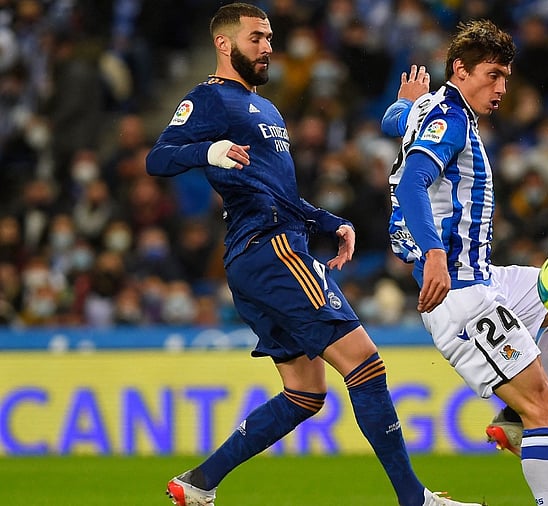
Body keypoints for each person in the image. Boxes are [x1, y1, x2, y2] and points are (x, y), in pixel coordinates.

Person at [145, 5, 482, 506]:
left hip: (264, 251)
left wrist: (328, 221)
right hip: (272, 250)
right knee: (366, 367)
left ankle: (198, 483)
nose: (267, 47)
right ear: (223, 43)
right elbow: (158, 158)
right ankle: (416, 500)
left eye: (269, 38)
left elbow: (276, 192)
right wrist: (207, 152)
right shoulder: (209, 100)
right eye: (256, 37)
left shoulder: (267, 109)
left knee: (305, 394)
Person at [381, 20, 548, 506]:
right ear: (459, 71)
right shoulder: (449, 119)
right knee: (547, 411)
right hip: (460, 293)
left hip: (487, 278)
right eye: (492, 75)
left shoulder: (431, 109)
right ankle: (529, 421)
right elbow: (411, 183)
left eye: (506, 77)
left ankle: (512, 420)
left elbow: (393, 124)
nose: (502, 88)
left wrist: (403, 104)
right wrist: (436, 255)